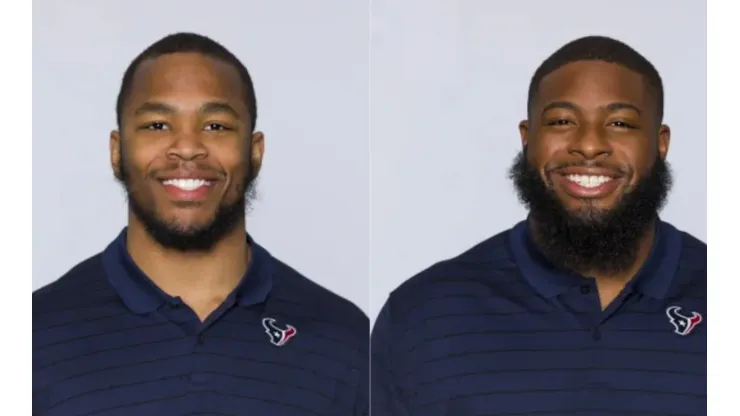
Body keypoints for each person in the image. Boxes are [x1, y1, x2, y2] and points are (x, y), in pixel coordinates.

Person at [33, 32, 369, 416]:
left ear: (255, 151)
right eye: (157, 125)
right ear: (117, 151)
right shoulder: (31, 336)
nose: (188, 147)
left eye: (216, 126)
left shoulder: (345, 339)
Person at [371, 35, 706, 415]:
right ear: (528, 139)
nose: (590, 145)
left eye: (620, 123)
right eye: (562, 120)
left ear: (660, 143)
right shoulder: (423, 315)